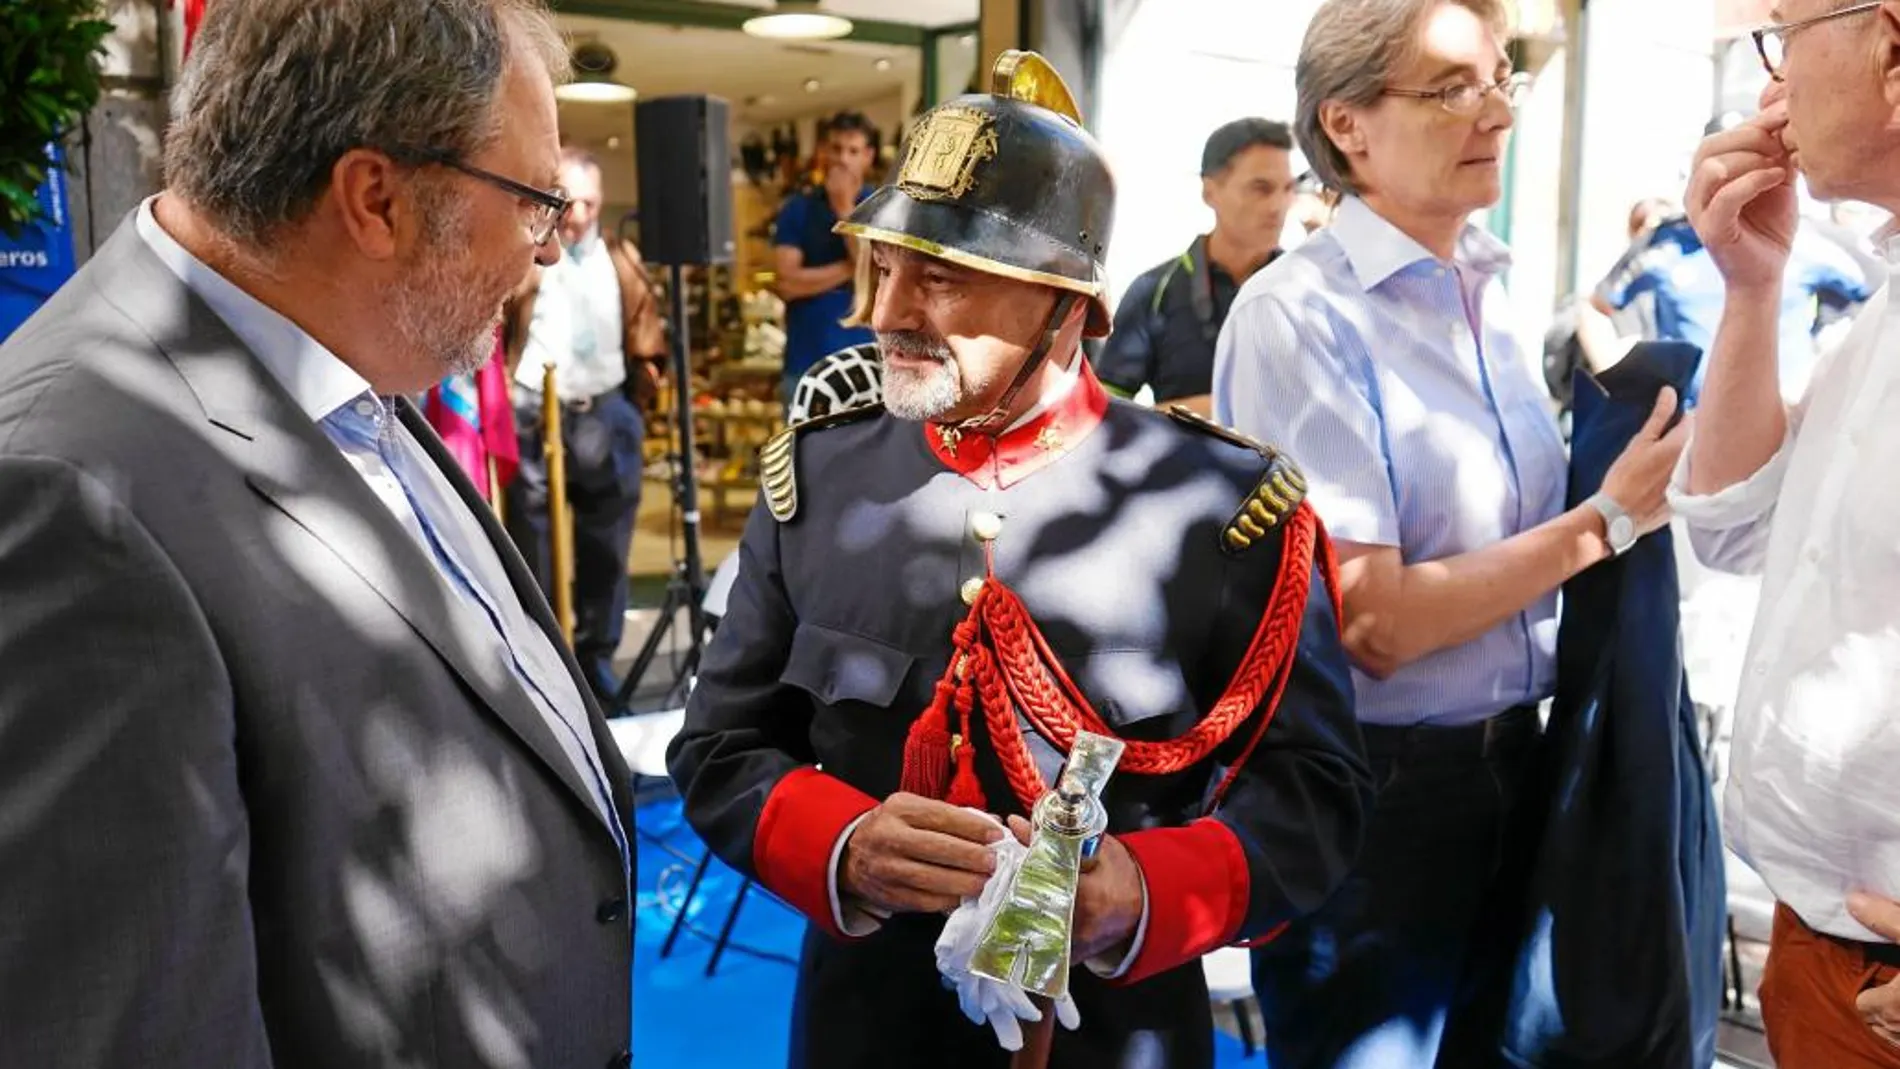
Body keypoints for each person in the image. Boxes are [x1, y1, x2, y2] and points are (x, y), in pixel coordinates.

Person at [668, 52, 1372, 1069]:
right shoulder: (816, 480)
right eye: (884, 266)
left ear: (1070, 304)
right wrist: (844, 847)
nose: (885, 311)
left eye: (940, 277)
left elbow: (1316, 787)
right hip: (868, 1031)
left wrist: (1144, 891)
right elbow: (720, 745)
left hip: (1118, 1037)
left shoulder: (1224, 508)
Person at [0, 2, 637, 1066]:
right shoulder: (68, 494)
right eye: (532, 203)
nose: (540, 253)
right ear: (375, 197)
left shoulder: (346, 357)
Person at [1211, 1, 1689, 1065]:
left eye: (1502, 79)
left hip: (1515, 768)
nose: (1495, 113)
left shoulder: (1489, 292)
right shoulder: (1302, 315)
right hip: (1378, 802)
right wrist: (1602, 520)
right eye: (1451, 88)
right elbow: (1374, 618)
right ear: (1346, 125)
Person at [1672, 2, 1900, 1065]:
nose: (1770, 76)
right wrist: (1752, 287)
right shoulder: (1882, 300)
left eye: (1785, 31)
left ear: (1889, 48)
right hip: (1817, 948)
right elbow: (1725, 526)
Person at [503, 144, 665, 702]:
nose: (578, 214)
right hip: (532, 408)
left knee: (607, 547)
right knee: (534, 545)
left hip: (604, 409)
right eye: (569, 201)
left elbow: (647, 332)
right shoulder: (527, 253)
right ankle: (545, 658)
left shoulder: (623, 257)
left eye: (590, 203)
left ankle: (597, 660)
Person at [1094, 118, 1298, 416]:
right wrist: (1211, 413)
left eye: (1288, 189)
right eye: (1261, 189)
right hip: (1184, 463)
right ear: (1210, 192)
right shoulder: (1154, 292)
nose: (1278, 206)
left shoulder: (1308, 291)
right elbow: (1103, 414)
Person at [773, 110, 878, 401]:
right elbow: (788, 282)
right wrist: (853, 268)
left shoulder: (881, 207)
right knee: (804, 447)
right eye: (836, 149)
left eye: (853, 151)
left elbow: (879, 280)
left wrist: (844, 209)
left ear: (867, 156)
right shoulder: (798, 208)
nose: (844, 159)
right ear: (823, 152)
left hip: (868, 365)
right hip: (806, 365)